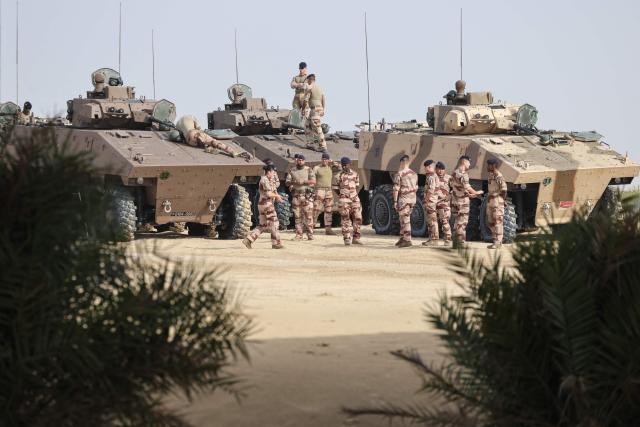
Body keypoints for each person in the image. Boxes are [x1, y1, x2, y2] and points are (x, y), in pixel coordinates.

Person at [243, 164, 284, 249]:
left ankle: (249, 239)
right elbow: (268, 193)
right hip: (266, 204)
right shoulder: (264, 180)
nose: (274, 174)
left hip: (265, 204)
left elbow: (274, 188)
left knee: (263, 225)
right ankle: (276, 243)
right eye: (273, 172)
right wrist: (277, 196)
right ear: (269, 172)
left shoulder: (269, 179)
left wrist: (277, 195)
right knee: (274, 223)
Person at [451, 155, 483, 244]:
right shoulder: (463, 174)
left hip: (455, 200)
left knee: (457, 220)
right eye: (469, 162)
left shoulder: (454, 172)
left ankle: (455, 239)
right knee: (463, 221)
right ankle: (460, 240)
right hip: (462, 202)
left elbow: (458, 187)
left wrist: (469, 194)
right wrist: (476, 193)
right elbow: (467, 187)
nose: (470, 164)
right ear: (464, 162)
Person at [174, 115, 242, 158]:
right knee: (212, 143)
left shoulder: (183, 123)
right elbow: (216, 143)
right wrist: (231, 151)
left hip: (186, 134)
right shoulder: (200, 134)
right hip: (193, 133)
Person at [285, 154, 316, 240]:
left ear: (304, 161)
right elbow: (287, 182)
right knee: (297, 216)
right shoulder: (292, 170)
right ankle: (299, 234)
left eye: (302, 160)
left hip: (306, 196)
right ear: (296, 161)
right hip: (296, 196)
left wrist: (304, 181)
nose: (300, 161)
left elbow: (313, 182)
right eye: (299, 160)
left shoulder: (308, 170)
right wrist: (294, 182)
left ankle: (310, 234)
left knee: (308, 215)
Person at [393, 155, 418, 248]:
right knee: (403, 218)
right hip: (412, 199)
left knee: (405, 219)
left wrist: (395, 201)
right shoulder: (414, 174)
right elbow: (416, 187)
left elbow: (396, 189)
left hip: (404, 199)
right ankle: (402, 238)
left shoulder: (400, 174)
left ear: (401, 163)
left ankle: (407, 240)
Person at [337, 157, 362, 246]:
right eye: (343, 165)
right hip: (344, 200)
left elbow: (357, 186)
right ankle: (346, 238)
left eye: (346, 165)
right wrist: (343, 195)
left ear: (349, 164)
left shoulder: (355, 174)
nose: (344, 167)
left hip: (355, 199)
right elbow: (336, 188)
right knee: (345, 219)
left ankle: (356, 237)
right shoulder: (339, 176)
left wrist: (353, 195)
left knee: (358, 218)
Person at [486, 159, 508, 249]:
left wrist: (501, 199)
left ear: (493, 166)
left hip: (497, 202)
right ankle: (495, 239)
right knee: (490, 222)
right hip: (491, 202)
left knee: (498, 222)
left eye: (488, 165)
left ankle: (498, 241)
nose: (487, 167)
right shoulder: (491, 176)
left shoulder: (499, 176)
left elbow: (504, 190)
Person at [312, 152, 336, 235]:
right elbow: (311, 177)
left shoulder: (330, 167)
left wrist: (333, 162)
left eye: (326, 159)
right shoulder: (317, 168)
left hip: (329, 191)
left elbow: (340, 168)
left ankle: (328, 229)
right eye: (323, 159)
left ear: (328, 160)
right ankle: (311, 227)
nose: (324, 160)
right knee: (316, 209)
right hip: (319, 190)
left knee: (329, 210)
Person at [303, 74, 327, 152]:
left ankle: (323, 146)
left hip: (314, 110)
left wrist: (303, 109)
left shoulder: (310, 88)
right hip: (318, 109)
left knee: (317, 128)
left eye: (307, 80)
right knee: (307, 125)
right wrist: (323, 109)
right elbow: (323, 98)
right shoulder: (319, 88)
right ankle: (310, 143)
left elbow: (305, 100)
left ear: (310, 80)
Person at [434, 161, 453, 246]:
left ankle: (448, 239)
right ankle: (433, 239)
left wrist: (450, 196)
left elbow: (455, 189)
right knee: (433, 222)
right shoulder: (433, 178)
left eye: (442, 169)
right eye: (439, 169)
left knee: (445, 220)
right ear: (436, 169)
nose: (440, 171)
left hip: (444, 203)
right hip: (434, 203)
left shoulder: (449, 178)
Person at [422, 159, 439, 246]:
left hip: (431, 202)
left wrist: (426, 199)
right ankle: (431, 238)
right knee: (430, 221)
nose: (425, 169)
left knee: (432, 221)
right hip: (431, 201)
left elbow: (431, 190)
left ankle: (434, 239)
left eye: (426, 167)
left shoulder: (431, 176)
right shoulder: (431, 175)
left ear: (430, 167)